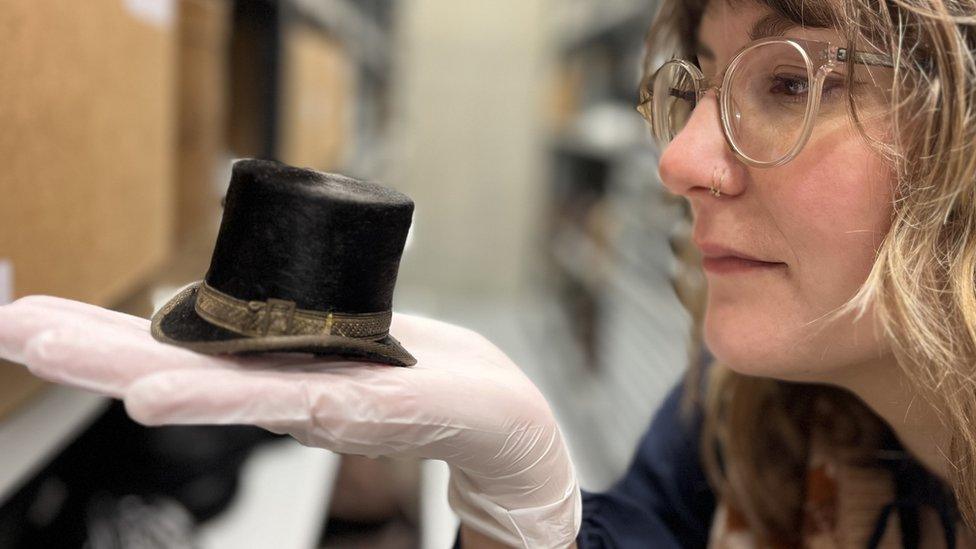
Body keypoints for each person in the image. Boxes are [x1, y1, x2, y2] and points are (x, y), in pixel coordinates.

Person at [2, 0, 975, 546]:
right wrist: (513, 517)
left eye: (792, 82)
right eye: (698, 88)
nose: (677, 161)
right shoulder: (744, 404)